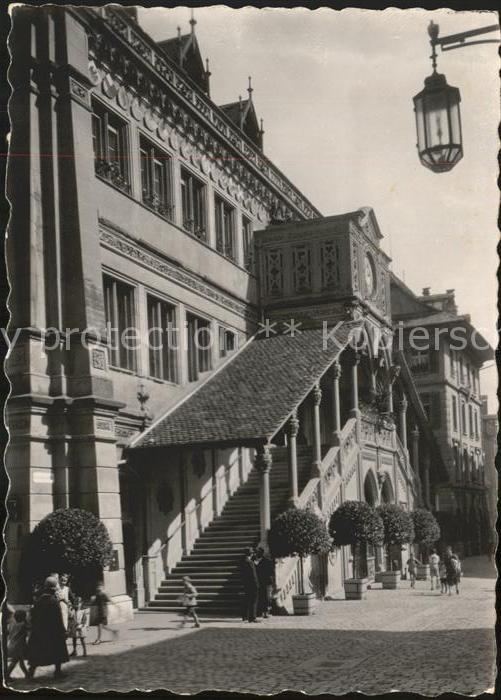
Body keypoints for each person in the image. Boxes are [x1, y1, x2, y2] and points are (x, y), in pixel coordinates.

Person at [26, 576, 69, 679]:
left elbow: (33, 616)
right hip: (53, 631)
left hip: (39, 631)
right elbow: (58, 619)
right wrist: (63, 630)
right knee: (57, 650)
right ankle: (57, 672)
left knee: (37, 652)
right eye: (55, 588)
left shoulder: (38, 601)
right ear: (52, 588)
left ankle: (31, 672)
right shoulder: (54, 601)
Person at [6, 609, 29, 679]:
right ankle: (6, 675)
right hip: (19, 646)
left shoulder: (11, 625)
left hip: (11, 645)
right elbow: (29, 628)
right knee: (15, 661)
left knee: (20, 660)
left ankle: (27, 674)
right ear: (23, 617)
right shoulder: (23, 625)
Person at [239, 547, 259, 623]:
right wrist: (256, 584)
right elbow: (253, 575)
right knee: (253, 601)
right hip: (252, 584)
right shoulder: (250, 562)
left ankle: (245, 616)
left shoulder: (243, 561)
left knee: (247, 600)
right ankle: (252, 617)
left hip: (246, 584)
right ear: (251, 554)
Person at [254, 546, 274, 619]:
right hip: (257, 582)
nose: (256, 554)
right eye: (256, 552)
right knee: (259, 597)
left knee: (266, 597)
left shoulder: (267, 561)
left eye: (257, 552)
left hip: (265, 582)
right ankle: (259, 612)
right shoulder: (254, 561)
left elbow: (271, 572)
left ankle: (265, 612)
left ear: (261, 553)